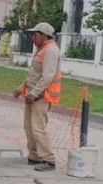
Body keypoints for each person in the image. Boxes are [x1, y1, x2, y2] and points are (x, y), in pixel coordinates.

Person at [12, 22, 61, 172]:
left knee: (38, 128)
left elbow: (48, 76)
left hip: (41, 97)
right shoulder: (41, 49)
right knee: (29, 127)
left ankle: (48, 159)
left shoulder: (50, 50)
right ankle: (34, 156)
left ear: (44, 35)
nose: (33, 37)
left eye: (35, 34)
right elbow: (33, 75)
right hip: (32, 96)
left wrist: (34, 93)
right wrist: (21, 89)